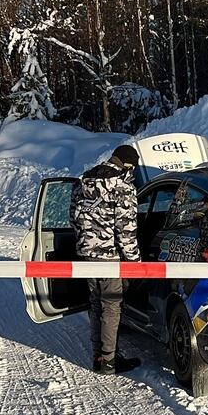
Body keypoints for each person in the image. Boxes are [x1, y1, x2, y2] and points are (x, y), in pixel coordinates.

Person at [69, 144, 142, 375]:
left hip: (87, 254)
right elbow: (126, 230)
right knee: (111, 306)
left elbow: (73, 217)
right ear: (129, 165)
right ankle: (109, 361)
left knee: (95, 303)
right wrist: (135, 263)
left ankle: (97, 356)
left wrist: (85, 242)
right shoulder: (121, 186)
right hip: (110, 257)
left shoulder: (84, 180)